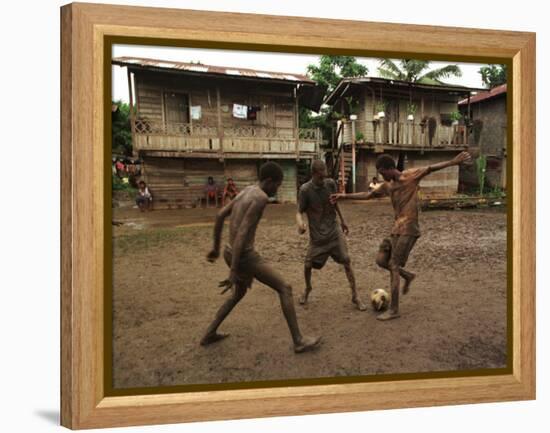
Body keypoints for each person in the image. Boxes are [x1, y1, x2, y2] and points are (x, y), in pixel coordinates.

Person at [331, 151, 471, 321]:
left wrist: (453, 162)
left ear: (389, 168)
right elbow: (367, 195)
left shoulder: (410, 176)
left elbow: (431, 168)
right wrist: (343, 196)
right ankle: (408, 276)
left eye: (382, 172)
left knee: (394, 265)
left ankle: (394, 309)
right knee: (381, 261)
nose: (381, 176)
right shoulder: (387, 185)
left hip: (409, 229)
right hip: (396, 229)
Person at [202, 162, 321, 353]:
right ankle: (298, 340)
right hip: (243, 256)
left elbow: (220, 215)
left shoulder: (247, 190)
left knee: (238, 294)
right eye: (278, 185)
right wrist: (233, 270)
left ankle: (209, 333)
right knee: (285, 288)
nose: (278, 189)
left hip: (229, 251)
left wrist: (216, 249)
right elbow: (242, 234)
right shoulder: (260, 197)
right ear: (269, 181)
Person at [296, 160, 366, 311]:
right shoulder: (305, 190)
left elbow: (334, 203)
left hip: (334, 232)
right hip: (318, 238)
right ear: (314, 174)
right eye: (321, 177)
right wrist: (300, 224)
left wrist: (342, 221)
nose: (323, 179)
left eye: (325, 176)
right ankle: (308, 289)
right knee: (308, 265)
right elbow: (298, 211)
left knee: (347, 260)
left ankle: (355, 296)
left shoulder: (330, 184)